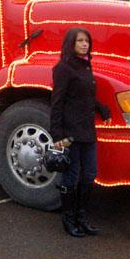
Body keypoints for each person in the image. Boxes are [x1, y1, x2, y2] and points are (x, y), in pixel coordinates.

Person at [50, 27, 111, 237]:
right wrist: (57, 135)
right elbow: (57, 102)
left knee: (90, 174)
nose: (85, 44)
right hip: (70, 132)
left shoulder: (86, 66)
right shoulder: (63, 68)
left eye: (87, 41)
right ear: (71, 44)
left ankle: (81, 216)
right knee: (71, 176)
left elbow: (85, 96)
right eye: (80, 41)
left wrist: (101, 108)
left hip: (87, 129)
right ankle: (68, 219)